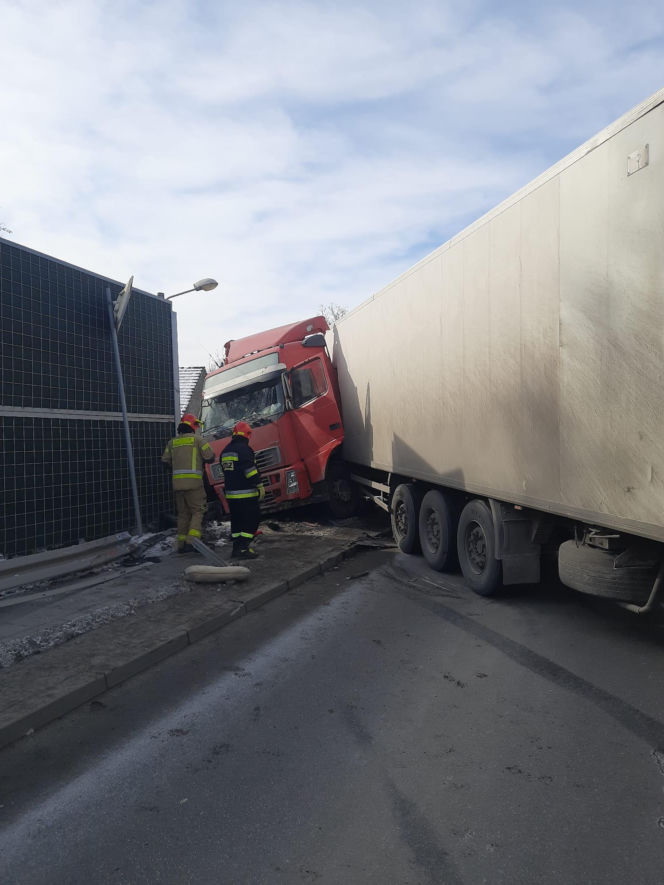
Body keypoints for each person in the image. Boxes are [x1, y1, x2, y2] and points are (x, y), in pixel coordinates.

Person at [162, 413, 214, 554]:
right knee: (198, 511)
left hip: (177, 485)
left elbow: (165, 462)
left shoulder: (172, 442)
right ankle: (192, 542)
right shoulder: (198, 440)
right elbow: (210, 457)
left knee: (183, 514)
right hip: (194, 484)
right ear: (192, 426)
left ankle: (181, 544)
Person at [220, 421, 264, 558]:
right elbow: (250, 471)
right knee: (251, 519)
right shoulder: (245, 449)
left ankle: (237, 549)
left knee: (237, 521)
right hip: (246, 494)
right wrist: (259, 484)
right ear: (247, 434)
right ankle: (244, 548)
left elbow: (225, 471)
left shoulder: (225, 450)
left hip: (231, 495)